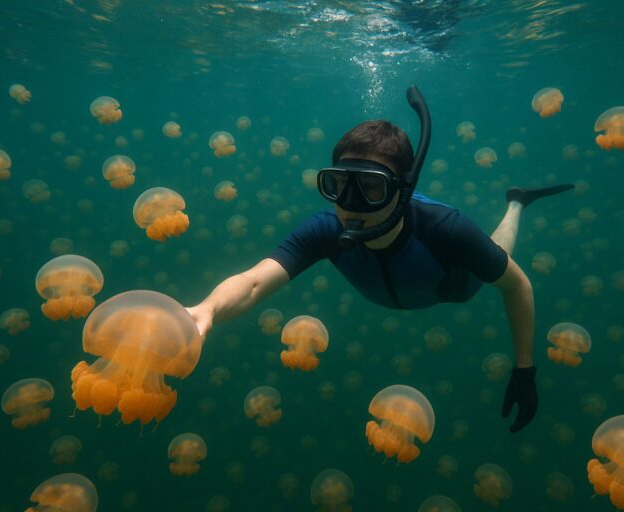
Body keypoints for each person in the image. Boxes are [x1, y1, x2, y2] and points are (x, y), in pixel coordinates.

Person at [187, 87, 573, 433]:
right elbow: (254, 281)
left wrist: (525, 368)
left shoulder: (446, 230)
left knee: (498, 257)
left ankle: (516, 203)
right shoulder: (324, 230)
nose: (352, 206)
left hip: (455, 286)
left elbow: (517, 284)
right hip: (407, 285)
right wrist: (206, 310)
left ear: (403, 189)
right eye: (339, 186)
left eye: (371, 187)